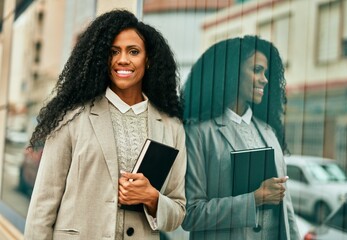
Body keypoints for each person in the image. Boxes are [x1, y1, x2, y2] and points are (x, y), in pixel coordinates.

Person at [24, 9, 186, 240]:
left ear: (148, 59)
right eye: (113, 52)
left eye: (133, 51)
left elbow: (178, 212)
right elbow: (42, 206)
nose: (122, 59)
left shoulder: (171, 127)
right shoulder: (72, 118)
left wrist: (152, 197)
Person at [181, 36, 300, 239]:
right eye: (256, 70)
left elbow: (286, 211)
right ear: (231, 73)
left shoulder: (269, 132)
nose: (265, 79)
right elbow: (190, 214)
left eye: (266, 72)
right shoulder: (199, 133)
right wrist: (254, 199)